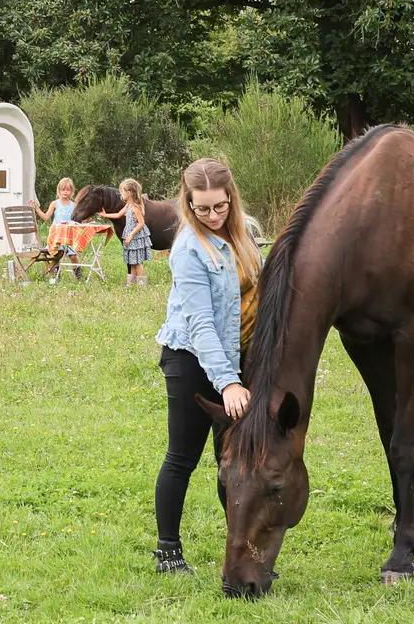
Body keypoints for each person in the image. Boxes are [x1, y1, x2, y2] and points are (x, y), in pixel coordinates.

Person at [151, 157, 262, 574]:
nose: (212, 216)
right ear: (188, 202)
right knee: (182, 456)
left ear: (231, 199)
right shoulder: (187, 250)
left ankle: (242, 549)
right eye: (202, 208)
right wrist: (228, 383)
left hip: (232, 362)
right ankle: (168, 553)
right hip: (192, 361)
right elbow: (200, 324)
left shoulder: (245, 234)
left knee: (230, 461)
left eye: (220, 207)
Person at [98, 178, 153, 286]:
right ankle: (130, 284)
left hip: (135, 237)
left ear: (128, 193)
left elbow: (141, 223)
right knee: (132, 262)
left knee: (137, 263)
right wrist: (105, 215)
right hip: (130, 236)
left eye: (122, 192)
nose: (120, 194)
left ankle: (142, 285)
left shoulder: (135, 208)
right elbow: (118, 214)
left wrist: (131, 235)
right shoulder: (128, 205)